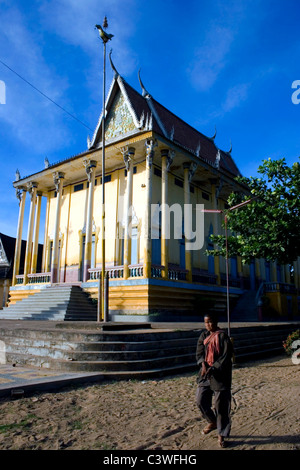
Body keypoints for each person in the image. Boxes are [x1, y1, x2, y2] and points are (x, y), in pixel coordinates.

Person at [195, 313, 233, 448]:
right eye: (206, 322)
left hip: (220, 376)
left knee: (221, 406)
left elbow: (226, 356)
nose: (209, 325)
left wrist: (214, 367)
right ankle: (212, 421)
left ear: (216, 322)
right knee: (200, 400)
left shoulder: (223, 337)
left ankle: (221, 434)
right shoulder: (203, 336)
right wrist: (203, 364)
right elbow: (199, 353)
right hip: (205, 374)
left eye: (211, 322)